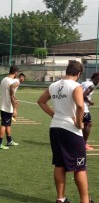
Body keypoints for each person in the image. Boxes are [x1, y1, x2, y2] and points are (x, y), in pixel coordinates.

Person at [37, 61, 94, 203]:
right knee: (80, 167)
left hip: (55, 128)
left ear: (67, 70)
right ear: (78, 73)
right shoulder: (76, 86)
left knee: (59, 164)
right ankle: (85, 200)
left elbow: (41, 101)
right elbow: (80, 106)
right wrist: (79, 123)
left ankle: (61, 199)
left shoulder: (54, 85)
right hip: (71, 130)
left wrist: (53, 114)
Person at [0, 65, 19, 150]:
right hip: (7, 106)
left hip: (3, 105)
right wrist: (15, 108)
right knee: (4, 125)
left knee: (8, 124)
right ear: (16, 73)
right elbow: (11, 91)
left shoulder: (4, 80)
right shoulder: (14, 81)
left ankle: (9, 140)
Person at [81, 72, 99, 151]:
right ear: (97, 79)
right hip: (83, 107)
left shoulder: (84, 82)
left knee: (82, 124)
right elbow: (83, 96)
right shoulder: (91, 86)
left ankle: (81, 142)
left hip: (77, 106)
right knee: (88, 124)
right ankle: (84, 144)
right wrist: (89, 102)